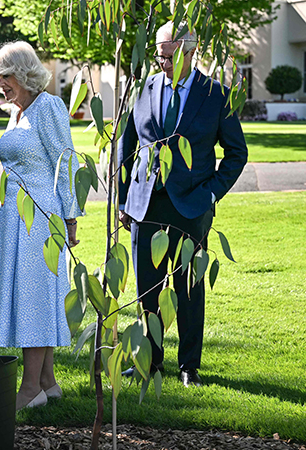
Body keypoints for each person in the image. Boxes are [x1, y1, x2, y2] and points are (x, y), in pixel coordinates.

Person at [117, 21, 248, 387]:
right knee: (148, 291)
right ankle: (150, 361)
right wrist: (125, 199)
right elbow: (126, 146)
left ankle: (189, 365)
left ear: (191, 52)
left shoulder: (216, 94)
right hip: (144, 207)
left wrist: (210, 195)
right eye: (158, 55)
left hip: (192, 207)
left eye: (168, 56)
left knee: (189, 291)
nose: (161, 61)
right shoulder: (143, 89)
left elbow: (237, 153)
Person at [0, 41, 83, 411]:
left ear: (22, 73)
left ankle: (29, 389)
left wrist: (70, 219)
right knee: (30, 297)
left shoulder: (48, 106)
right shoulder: (17, 112)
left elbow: (65, 164)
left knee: (35, 300)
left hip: (40, 220)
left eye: (5, 77)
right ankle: (47, 383)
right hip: (16, 220)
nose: (0, 85)